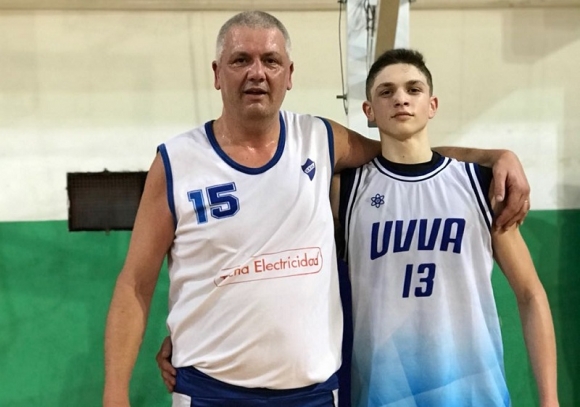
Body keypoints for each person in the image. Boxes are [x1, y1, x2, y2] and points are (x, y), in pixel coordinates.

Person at [105, 11, 530, 407]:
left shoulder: (320, 140)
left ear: (289, 75)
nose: (257, 72)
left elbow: (402, 151)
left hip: (310, 394)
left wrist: (493, 156)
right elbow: (135, 284)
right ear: (217, 74)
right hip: (210, 390)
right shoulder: (177, 161)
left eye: (271, 60)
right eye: (240, 60)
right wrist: (115, 393)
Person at [333, 48, 558, 407]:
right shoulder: (345, 190)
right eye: (386, 91)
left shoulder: (480, 183)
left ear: (432, 105)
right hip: (385, 395)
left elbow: (531, 294)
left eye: (413, 89)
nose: (401, 99)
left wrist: (550, 400)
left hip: (475, 393)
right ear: (369, 111)